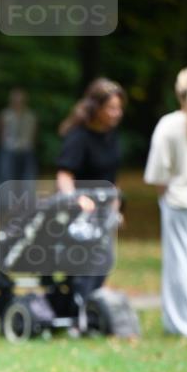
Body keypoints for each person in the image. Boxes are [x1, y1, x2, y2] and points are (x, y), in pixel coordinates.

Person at [56, 77, 126, 302]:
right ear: (97, 108)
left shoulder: (111, 136)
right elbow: (64, 175)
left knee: (102, 265)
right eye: (111, 108)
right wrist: (76, 200)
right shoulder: (78, 137)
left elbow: (112, 177)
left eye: (119, 108)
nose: (117, 113)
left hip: (104, 211)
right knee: (85, 267)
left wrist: (115, 207)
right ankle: (80, 308)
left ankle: (89, 308)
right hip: (81, 215)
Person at [144, 67, 187, 336]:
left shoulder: (169, 125)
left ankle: (182, 323)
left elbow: (158, 174)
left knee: (180, 263)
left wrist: (164, 197)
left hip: (178, 201)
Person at [0, 88, 37, 186]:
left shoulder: (31, 115)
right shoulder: (5, 114)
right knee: (6, 177)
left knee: (27, 178)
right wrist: (3, 143)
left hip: (26, 149)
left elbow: (34, 132)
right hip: (9, 148)